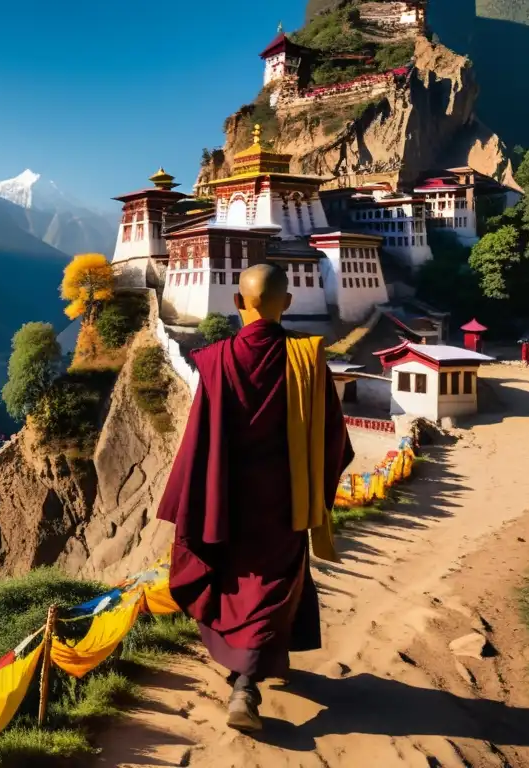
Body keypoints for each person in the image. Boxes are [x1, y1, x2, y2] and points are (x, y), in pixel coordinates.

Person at [157, 262, 354, 732]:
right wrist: (318, 489)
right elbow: (334, 441)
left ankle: (243, 680)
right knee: (270, 586)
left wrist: (196, 499)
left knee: (233, 582)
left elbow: (199, 438)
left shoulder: (217, 359)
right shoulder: (307, 359)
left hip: (227, 501)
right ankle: (248, 681)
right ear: (286, 303)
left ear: (237, 303)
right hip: (286, 500)